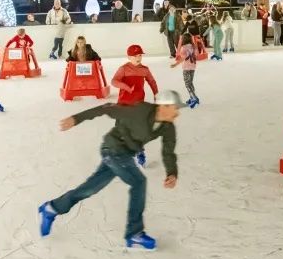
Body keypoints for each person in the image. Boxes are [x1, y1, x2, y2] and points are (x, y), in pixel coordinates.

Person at [37, 90, 183, 250]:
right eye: (175, 108)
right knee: (139, 182)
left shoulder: (168, 127)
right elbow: (106, 108)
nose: (177, 113)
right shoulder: (139, 110)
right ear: (164, 106)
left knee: (90, 189)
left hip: (126, 154)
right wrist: (76, 119)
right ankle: (134, 235)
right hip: (113, 149)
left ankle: (52, 208)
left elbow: (168, 152)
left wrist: (172, 173)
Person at [111, 44, 160, 166]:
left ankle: (139, 151)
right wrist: (126, 87)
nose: (138, 58)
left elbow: (152, 82)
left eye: (140, 55)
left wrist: (156, 94)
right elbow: (114, 81)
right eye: (135, 56)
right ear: (129, 57)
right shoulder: (123, 69)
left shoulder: (144, 69)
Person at [170, 33, 200, 108]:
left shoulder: (183, 48)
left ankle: (194, 98)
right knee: (190, 83)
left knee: (187, 84)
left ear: (183, 40)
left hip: (186, 68)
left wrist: (175, 64)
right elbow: (197, 55)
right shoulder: (193, 46)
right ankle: (192, 97)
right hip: (193, 67)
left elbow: (182, 58)